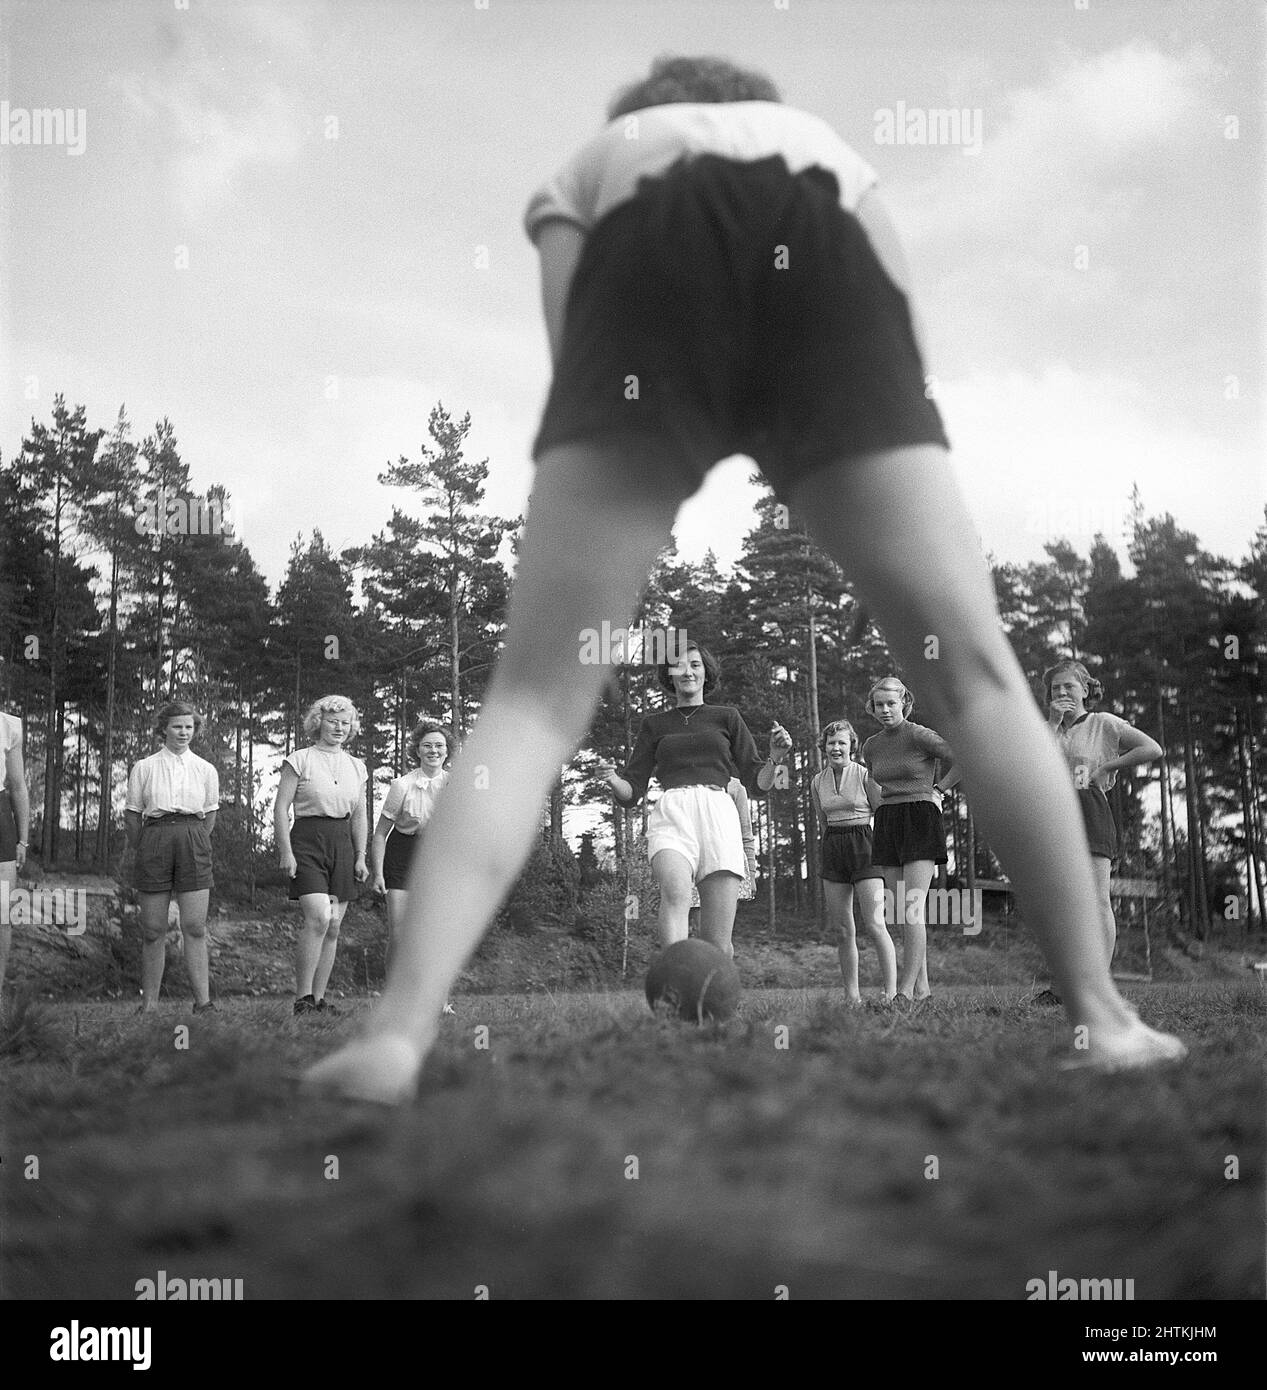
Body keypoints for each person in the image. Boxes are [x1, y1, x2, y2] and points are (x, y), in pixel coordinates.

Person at [306, 54, 1184, 1102]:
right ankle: (1104, 1015)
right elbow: (897, 310)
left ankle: (396, 1035)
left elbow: (567, 336)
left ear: (645, 111)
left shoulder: (596, 158)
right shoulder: (822, 143)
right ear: (750, 106)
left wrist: (636, 448)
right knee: (981, 681)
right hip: (824, 271)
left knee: (534, 702)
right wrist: (854, 438)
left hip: (640, 282)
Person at [600, 641, 787, 958]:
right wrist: (614, 780)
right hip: (673, 813)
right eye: (679, 665)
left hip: (718, 816)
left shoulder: (727, 717)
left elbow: (757, 783)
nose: (687, 671)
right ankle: (674, 979)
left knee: (717, 944)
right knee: (675, 893)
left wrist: (776, 758)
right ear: (669, 675)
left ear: (706, 673)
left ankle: (715, 1001)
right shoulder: (654, 725)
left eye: (695, 664)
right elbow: (632, 791)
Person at [1045, 659, 1163, 970]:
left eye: (1069, 686)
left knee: (1097, 901)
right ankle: (1064, 985)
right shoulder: (1045, 729)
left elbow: (1152, 748)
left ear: (1085, 689)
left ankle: (1099, 980)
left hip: (1090, 809)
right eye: (1055, 688)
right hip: (1053, 813)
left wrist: (1108, 767)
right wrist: (1053, 723)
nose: (1061, 692)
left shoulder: (1103, 723)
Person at [862, 677, 955, 1004]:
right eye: (879, 704)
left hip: (920, 817)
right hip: (888, 820)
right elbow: (876, 782)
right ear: (872, 708)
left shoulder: (918, 734)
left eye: (891, 703)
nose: (885, 710)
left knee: (913, 908)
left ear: (904, 703)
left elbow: (963, 756)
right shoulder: (870, 746)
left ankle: (903, 991)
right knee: (902, 911)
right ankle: (923, 990)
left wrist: (940, 790)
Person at [275, 695, 369, 1016]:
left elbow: (359, 816)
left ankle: (319, 999)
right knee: (318, 917)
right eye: (333, 721)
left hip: (341, 843)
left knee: (334, 927)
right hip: (307, 841)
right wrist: (285, 850)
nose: (339, 727)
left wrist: (360, 856)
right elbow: (280, 808)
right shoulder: (299, 759)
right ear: (318, 722)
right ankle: (302, 1000)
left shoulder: (357, 766)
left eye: (345, 722)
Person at [123, 702, 219, 1013]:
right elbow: (133, 815)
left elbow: (210, 817)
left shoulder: (205, 769)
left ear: (195, 730)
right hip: (154, 838)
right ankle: (149, 1004)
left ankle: (203, 1003)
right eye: (177, 726)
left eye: (189, 727)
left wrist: (195, 841)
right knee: (153, 929)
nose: (183, 732)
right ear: (163, 728)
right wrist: (146, 846)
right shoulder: (144, 767)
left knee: (195, 926)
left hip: (192, 838)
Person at [812, 719, 896, 1005]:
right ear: (824, 746)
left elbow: (881, 813)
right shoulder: (816, 781)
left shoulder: (863, 774)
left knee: (874, 923)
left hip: (864, 843)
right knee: (843, 929)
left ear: (852, 746)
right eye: (831, 742)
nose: (836, 747)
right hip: (834, 846)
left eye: (842, 743)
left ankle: (892, 993)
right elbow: (822, 821)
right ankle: (852, 996)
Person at [371, 721, 450, 973]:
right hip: (401, 854)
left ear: (447, 751)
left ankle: (440, 1000)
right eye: (427, 745)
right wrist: (379, 873)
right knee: (399, 932)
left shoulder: (455, 785)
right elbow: (380, 833)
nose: (433, 751)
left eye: (439, 746)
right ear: (417, 750)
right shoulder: (401, 785)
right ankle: (393, 998)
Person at [687, 776, 758, 934]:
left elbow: (745, 833)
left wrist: (752, 874)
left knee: (721, 935)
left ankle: (722, 959)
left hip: (729, 863)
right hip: (697, 862)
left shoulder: (735, 787)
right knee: (701, 930)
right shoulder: (687, 782)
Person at [0, 706, 31, 1009]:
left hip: (0, 821)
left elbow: (18, 785)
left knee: (1, 912)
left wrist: (22, 839)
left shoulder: (9, 725)